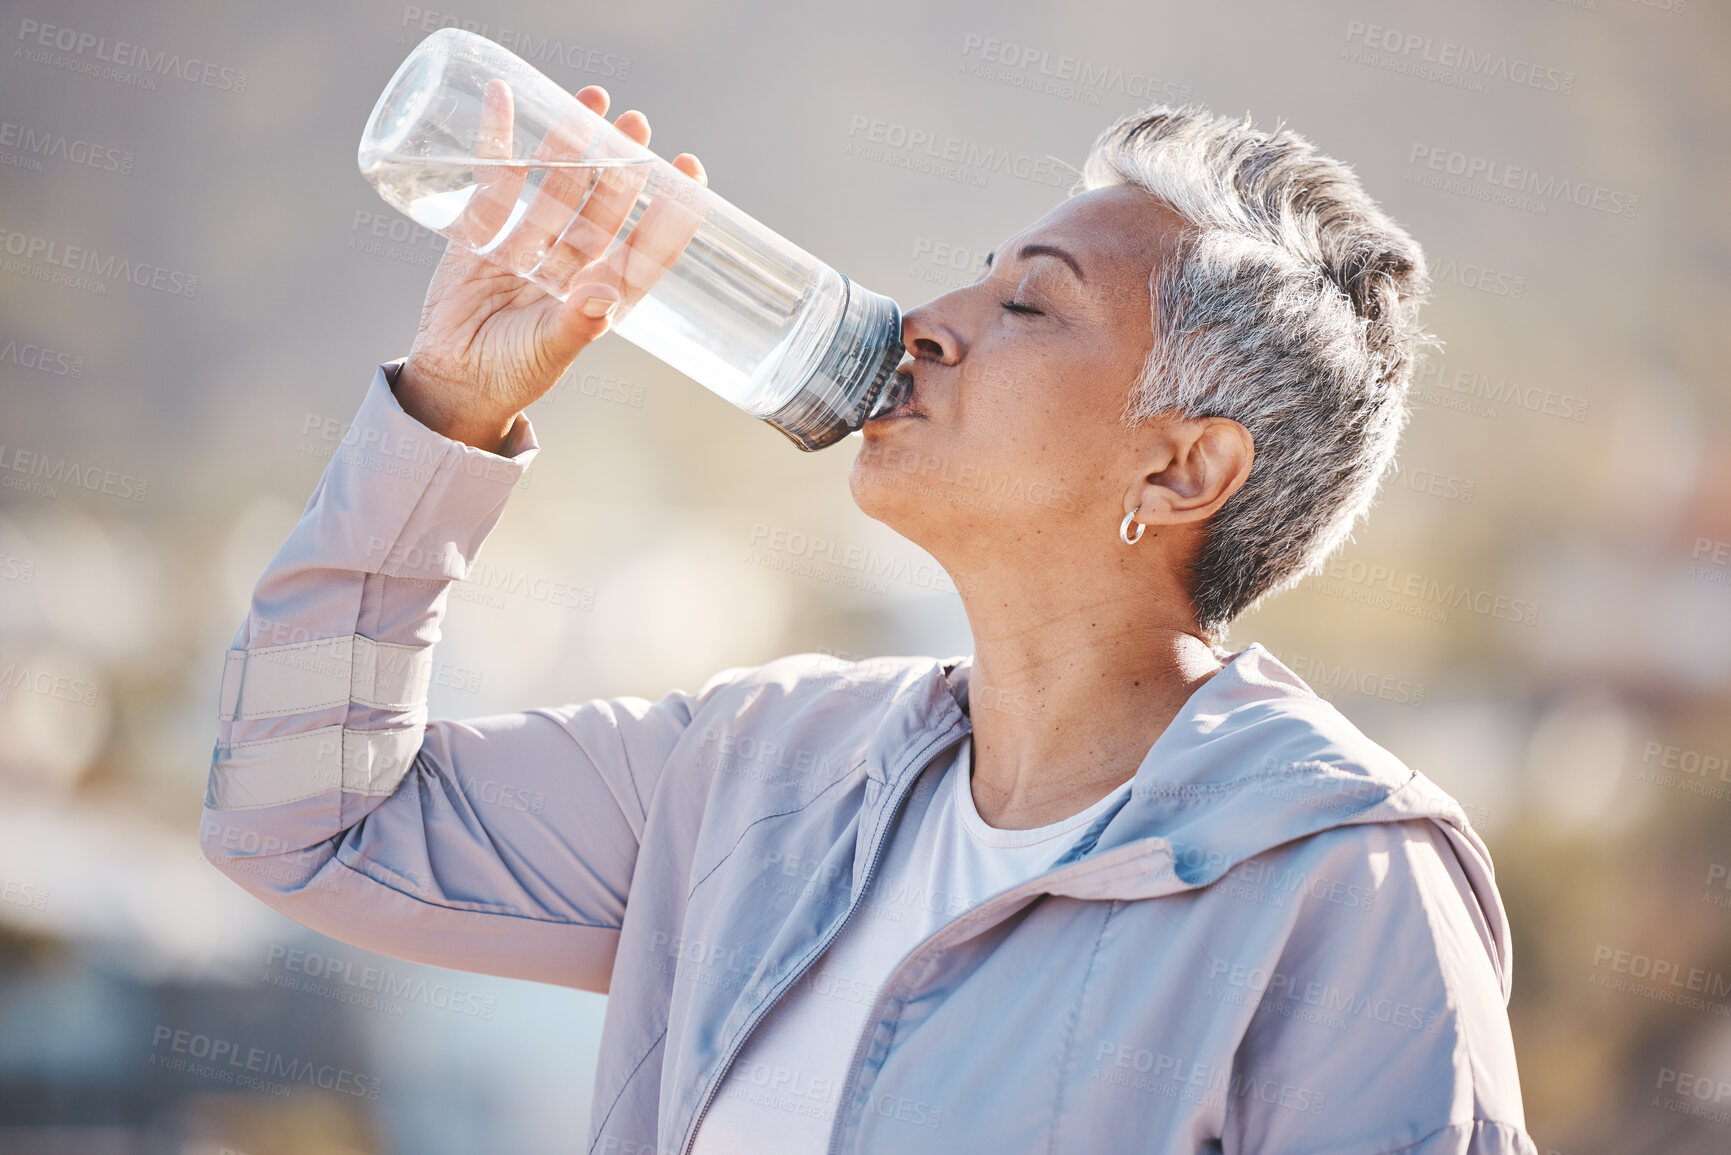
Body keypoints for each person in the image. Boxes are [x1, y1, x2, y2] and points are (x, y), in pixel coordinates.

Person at [201, 84, 1539, 1154]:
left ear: (1181, 468)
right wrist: (449, 402)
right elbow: (306, 820)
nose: (928, 324)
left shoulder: (1340, 884)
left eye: (1029, 303)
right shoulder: (757, 773)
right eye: (975, 277)